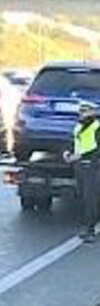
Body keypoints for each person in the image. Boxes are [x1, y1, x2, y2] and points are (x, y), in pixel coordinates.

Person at [67, 101, 100, 241]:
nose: (82, 113)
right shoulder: (79, 126)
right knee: (82, 195)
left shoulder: (97, 127)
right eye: (81, 111)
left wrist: (81, 156)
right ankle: (89, 226)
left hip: (93, 165)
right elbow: (75, 141)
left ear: (93, 112)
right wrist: (67, 152)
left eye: (86, 111)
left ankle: (90, 230)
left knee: (90, 198)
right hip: (80, 165)